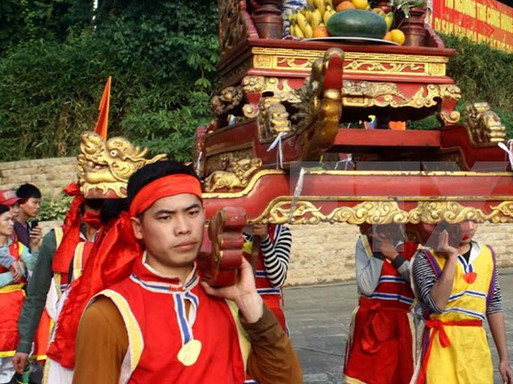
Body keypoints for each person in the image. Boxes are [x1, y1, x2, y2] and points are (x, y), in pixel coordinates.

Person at [73, 160, 302, 383]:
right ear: (138, 228)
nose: (183, 228)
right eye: (165, 217)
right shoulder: (111, 314)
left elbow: (286, 380)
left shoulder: (229, 300)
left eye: (192, 213)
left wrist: (251, 303)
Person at [12, 186, 106, 383]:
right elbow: (36, 294)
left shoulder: (119, 236)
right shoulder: (56, 240)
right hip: (65, 336)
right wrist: (24, 344)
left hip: (109, 335)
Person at [411, 220, 513, 384]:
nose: (471, 227)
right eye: (464, 221)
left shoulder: (486, 255)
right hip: (441, 345)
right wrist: (452, 257)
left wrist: (504, 359)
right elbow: (437, 304)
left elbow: (493, 306)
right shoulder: (426, 257)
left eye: (475, 220)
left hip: (475, 346)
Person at [344, 224, 419, 384]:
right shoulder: (365, 242)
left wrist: (394, 256)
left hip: (401, 325)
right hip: (370, 323)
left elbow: (418, 283)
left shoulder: (416, 243)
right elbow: (366, 287)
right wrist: (378, 254)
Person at [0, 204, 39, 382]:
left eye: (12, 220)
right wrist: (16, 273)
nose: (11, 223)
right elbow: (23, 270)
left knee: (12, 364)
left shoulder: (17, 247)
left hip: (16, 312)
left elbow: (34, 268)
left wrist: (35, 247)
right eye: (7, 219)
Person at [242, 222, 292, 333]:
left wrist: (265, 240)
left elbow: (278, 279)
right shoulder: (226, 230)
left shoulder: (280, 233)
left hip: (267, 307)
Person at [14, 184, 43, 250]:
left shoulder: (28, 227)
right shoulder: (11, 227)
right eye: (34, 202)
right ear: (21, 203)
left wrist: (35, 244)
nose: (38, 207)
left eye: (39, 203)